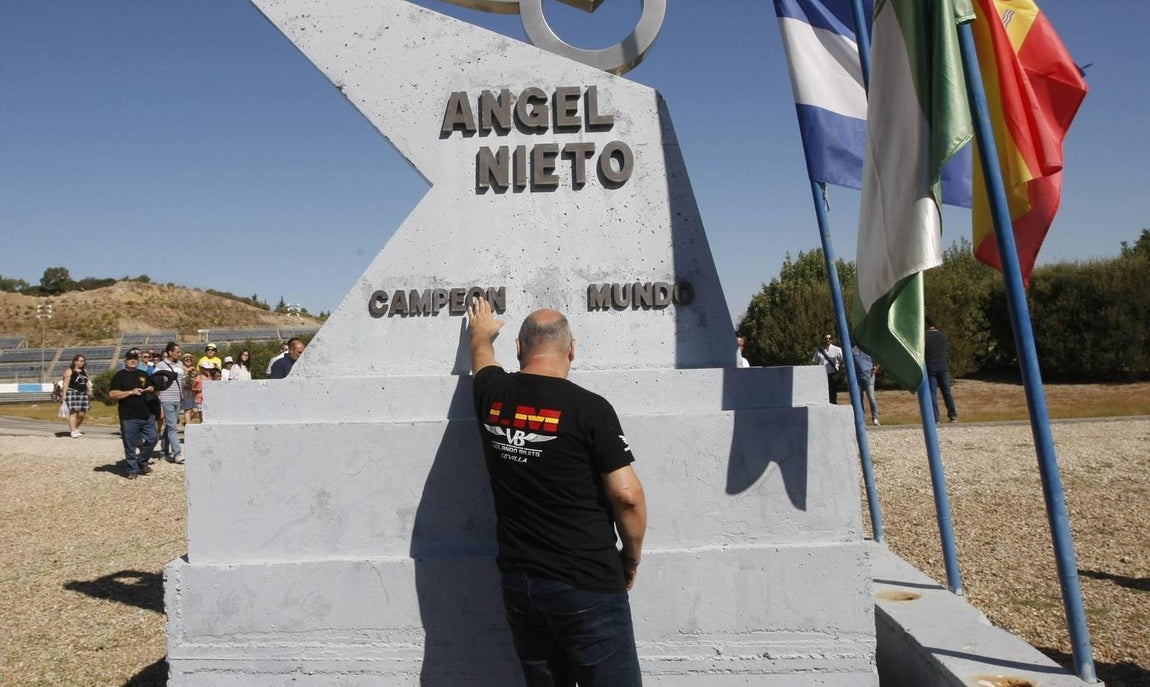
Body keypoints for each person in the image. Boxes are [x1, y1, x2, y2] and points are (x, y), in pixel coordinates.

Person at [467, 296, 646, 686]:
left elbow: (482, 359)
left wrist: (480, 334)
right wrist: (630, 560)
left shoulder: (491, 396)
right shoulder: (591, 409)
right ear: (572, 349)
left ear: (519, 348)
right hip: (587, 585)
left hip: (521, 585)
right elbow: (627, 496)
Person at [108, 350, 158, 479]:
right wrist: (130, 392)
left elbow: (153, 387)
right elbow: (112, 394)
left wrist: (151, 388)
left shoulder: (143, 374)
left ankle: (141, 461)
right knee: (130, 445)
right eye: (130, 358)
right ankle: (132, 469)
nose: (133, 360)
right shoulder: (119, 376)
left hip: (146, 414)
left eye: (135, 358)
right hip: (128, 416)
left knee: (153, 439)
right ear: (125, 360)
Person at [155, 342, 185, 464]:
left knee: (169, 426)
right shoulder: (161, 365)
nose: (179, 354)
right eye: (177, 351)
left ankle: (163, 451)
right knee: (172, 426)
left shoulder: (180, 365)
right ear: (170, 352)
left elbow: (182, 381)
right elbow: (155, 381)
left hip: (178, 398)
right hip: (166, 398)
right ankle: (177, 453)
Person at [925, 317, 958, 423]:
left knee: (932, 393)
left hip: (930, 367)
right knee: (947, 392)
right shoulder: (943, 336)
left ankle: (935, 418)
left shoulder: (924, 337)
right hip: (943, 366)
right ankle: (953, 415)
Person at [62, 354, 93, 438]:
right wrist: (64, 394)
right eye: (81, 361)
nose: (83, 362)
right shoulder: (69, 371)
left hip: (83, 393)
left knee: (82, 413)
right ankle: (72, 431)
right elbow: (65, 383)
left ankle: (76, 428)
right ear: (75, 362)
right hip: (72, 393)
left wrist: (89, 390)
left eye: (83, 361)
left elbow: (87, 382)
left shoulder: (84, 371)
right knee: (73, 413)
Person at [851, 345, 880, 426]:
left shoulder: (869, 346)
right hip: (856, 376)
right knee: (859, 399)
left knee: (871, 397)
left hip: (869, 375)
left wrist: (874, 369)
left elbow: (878, 359)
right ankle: (862, 420)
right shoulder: (852, 349)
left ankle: (875, 418)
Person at [813, 332, 845, 404]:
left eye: (829, 338)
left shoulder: (837, 350)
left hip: (833, 376)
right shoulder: (818, 350)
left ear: (832, 339)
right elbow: (815, 364)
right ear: (823, 339)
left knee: (832, 396)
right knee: (822, 396)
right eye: (826, 338)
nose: (828, 340)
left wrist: (838, 375)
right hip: (821, 376)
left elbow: (844, 363)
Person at [180, 353, 198, 426]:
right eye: (187, 359)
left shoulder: (193, 369)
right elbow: (182, 380)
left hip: (192, 390)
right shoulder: (181, 369)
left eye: (190, 359)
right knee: (188, 409)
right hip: (185, 390)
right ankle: (188, 426)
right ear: (183, 360)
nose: (189, 360)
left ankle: (186, 422)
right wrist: (188, 373)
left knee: (195, 410)